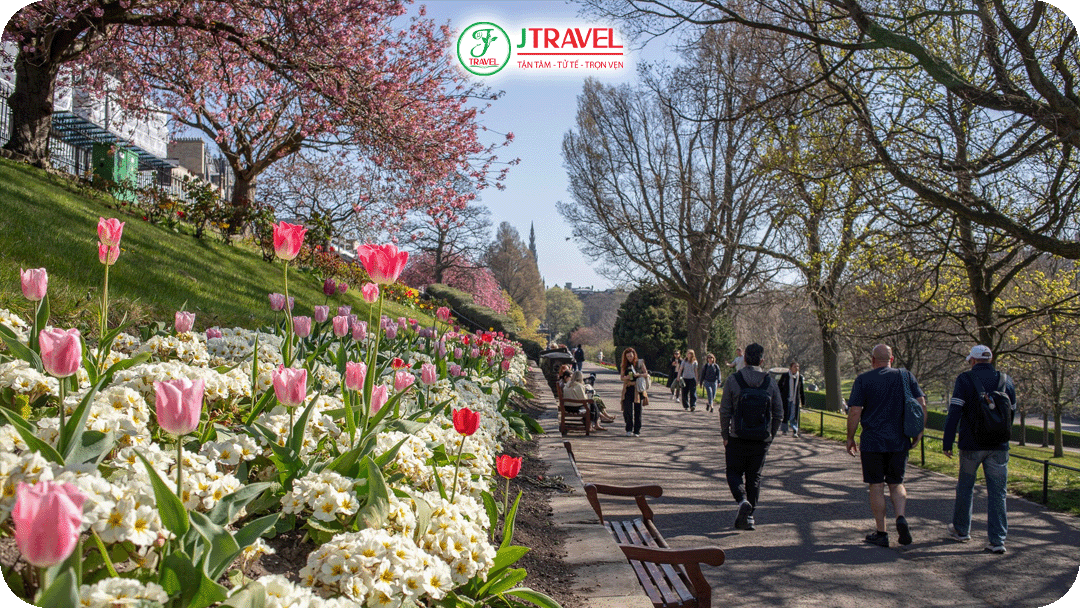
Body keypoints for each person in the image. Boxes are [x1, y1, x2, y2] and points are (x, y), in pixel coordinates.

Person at [845, 344, 926, 548]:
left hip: (873, 441)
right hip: (899, 440)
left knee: (876, 485)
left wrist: (850, 437)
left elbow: (855, 411)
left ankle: (881, 532)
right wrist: (919, 431)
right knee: (896, 483)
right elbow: (921, 404)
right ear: (892, 360)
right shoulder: (905, 376)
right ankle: (900, 517)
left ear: (873, 360)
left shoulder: (864, 380)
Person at [942, 345, 1017, 554]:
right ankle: (997, 540)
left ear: (973, 361)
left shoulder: (965, 380)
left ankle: (961, 530)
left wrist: (947, 442)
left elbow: (954, 412)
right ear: (990, 359)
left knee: (965, 487)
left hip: (971, 444)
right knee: (998, 493)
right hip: (999, 446)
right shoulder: (1006, 380)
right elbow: (1011, 413)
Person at [719, 343, 783, 531]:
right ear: (762, 360)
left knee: (733, 472)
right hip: (761, 438)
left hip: (737, 436)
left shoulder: (734, 380)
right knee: (754, 477)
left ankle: (742, 501)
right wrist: (771, 435)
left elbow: (725, 411)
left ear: (744, 359)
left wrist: (725, 434)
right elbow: (779, 413)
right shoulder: (770, 382)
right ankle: (749, 517)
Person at [620, 348, 644, 437]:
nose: (629, 358)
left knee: (638, 410)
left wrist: (639, 375)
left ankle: (637, 430)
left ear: (634, 355)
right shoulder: (624, 365)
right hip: (628, 388)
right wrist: (625, 377)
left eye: (630, 356)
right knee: (627, 410)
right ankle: (629, 428)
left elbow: (646, 374)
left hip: (637, 389)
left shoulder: (640, 363)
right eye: (627, 356)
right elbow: (621, 377)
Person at [779, 362, 806, 437]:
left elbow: (801, 390)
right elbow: (779, 386)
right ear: (791, 368)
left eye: (797, 366)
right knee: (785, 414)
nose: (796, 368)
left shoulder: (799, 377)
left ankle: (795, 431)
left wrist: (803, 401)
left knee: (794, 416)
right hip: (786, 399)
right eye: (794, 366)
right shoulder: (785, 376)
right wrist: (780, 396)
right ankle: (784, 430)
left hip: (795, 400)